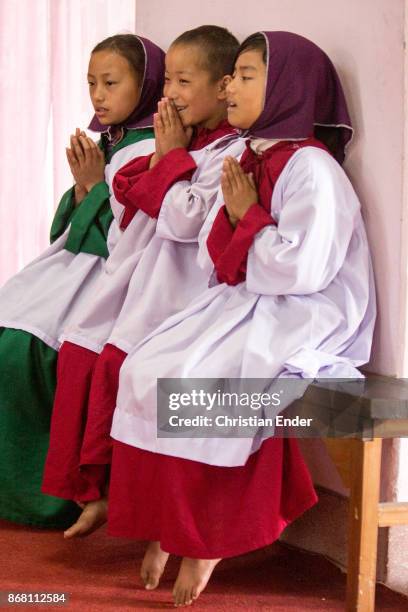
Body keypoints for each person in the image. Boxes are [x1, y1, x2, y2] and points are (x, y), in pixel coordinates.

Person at [107, 31, 376, 606]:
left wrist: (247, 216)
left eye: (247, 76)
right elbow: (210, 242)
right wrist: (238, 220)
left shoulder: (314, 170)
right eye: (233, 76)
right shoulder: (248, 155)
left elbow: (303, 268)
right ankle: (167, 525)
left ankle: (208, 537)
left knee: (206, 384)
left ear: (286, 88)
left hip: (307, 311)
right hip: (252, 293)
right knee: (146, 367)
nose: (230, 85)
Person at [41, 25, 245, 538]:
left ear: (222, 87)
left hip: (184, 294)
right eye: (168, 81)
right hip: (141, 280)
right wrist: (161, 160)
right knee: (81, 354)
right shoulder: (180, 139)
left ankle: (125, 502)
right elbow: (127, 202)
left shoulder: (231, 152)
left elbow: (182, 219)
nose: (169, 93)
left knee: (121, 369)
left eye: (182, 80)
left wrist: (166, 159)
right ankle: (90, 491)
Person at [0, 33, 165, 529]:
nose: (97, 95)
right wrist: (83, 188)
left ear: (146, 83)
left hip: (114, 277)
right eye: (91, 83)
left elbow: (126, 235)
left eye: (111, 83)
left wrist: (93, 187)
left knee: (25, 348)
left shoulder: (154, 146)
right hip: (75, 266)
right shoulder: (108, 141)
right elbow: (69, 230)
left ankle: (48, 495)